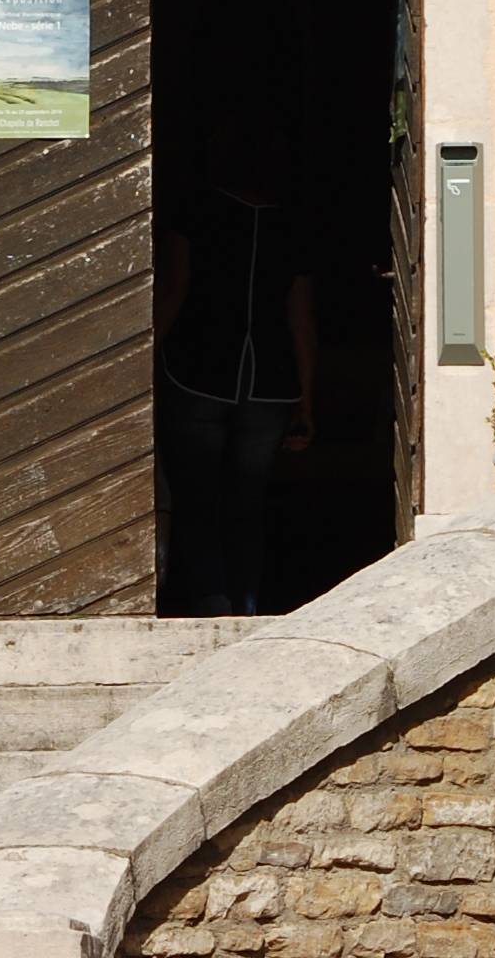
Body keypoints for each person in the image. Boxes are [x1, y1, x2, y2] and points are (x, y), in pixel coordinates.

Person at [154, 115, 317, 615]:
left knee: (198, 496)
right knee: (247, 500)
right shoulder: (292, 224)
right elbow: (300, 318)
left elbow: (175, 292)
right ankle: (246, 600)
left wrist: (141, 362)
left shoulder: (195, 212)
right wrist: (307, 400)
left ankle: (212, 599)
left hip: (198, 370)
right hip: (269, 383)